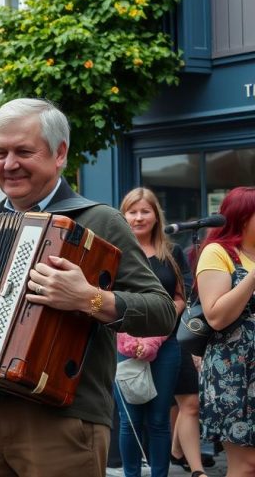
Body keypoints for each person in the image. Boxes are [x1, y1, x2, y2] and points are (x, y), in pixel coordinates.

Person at [0, 98, 176, 476]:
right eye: (0, 152)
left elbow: (161, 312)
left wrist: (88, 298)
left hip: (62, 420)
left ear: (59, 154)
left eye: (23, 151)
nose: (9, 164)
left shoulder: (98, 221)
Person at [115, 188, 190, 477]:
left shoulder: (172, 253)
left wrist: (157, 333)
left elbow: (181, 297)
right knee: (129, 420)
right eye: (132, 211)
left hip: (166, 345)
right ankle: (131, 474)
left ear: (156, 215)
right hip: (125, 346)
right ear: (123, 216)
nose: (138, 217)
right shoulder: (115, 252)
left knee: (159, 420)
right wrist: (129, 336)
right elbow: (105, 297)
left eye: (145, 211)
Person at [194, 186, 255, 476]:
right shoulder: (218, 253)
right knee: (246, 465)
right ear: (242, 217)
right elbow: (216, 316)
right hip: (235, 371)